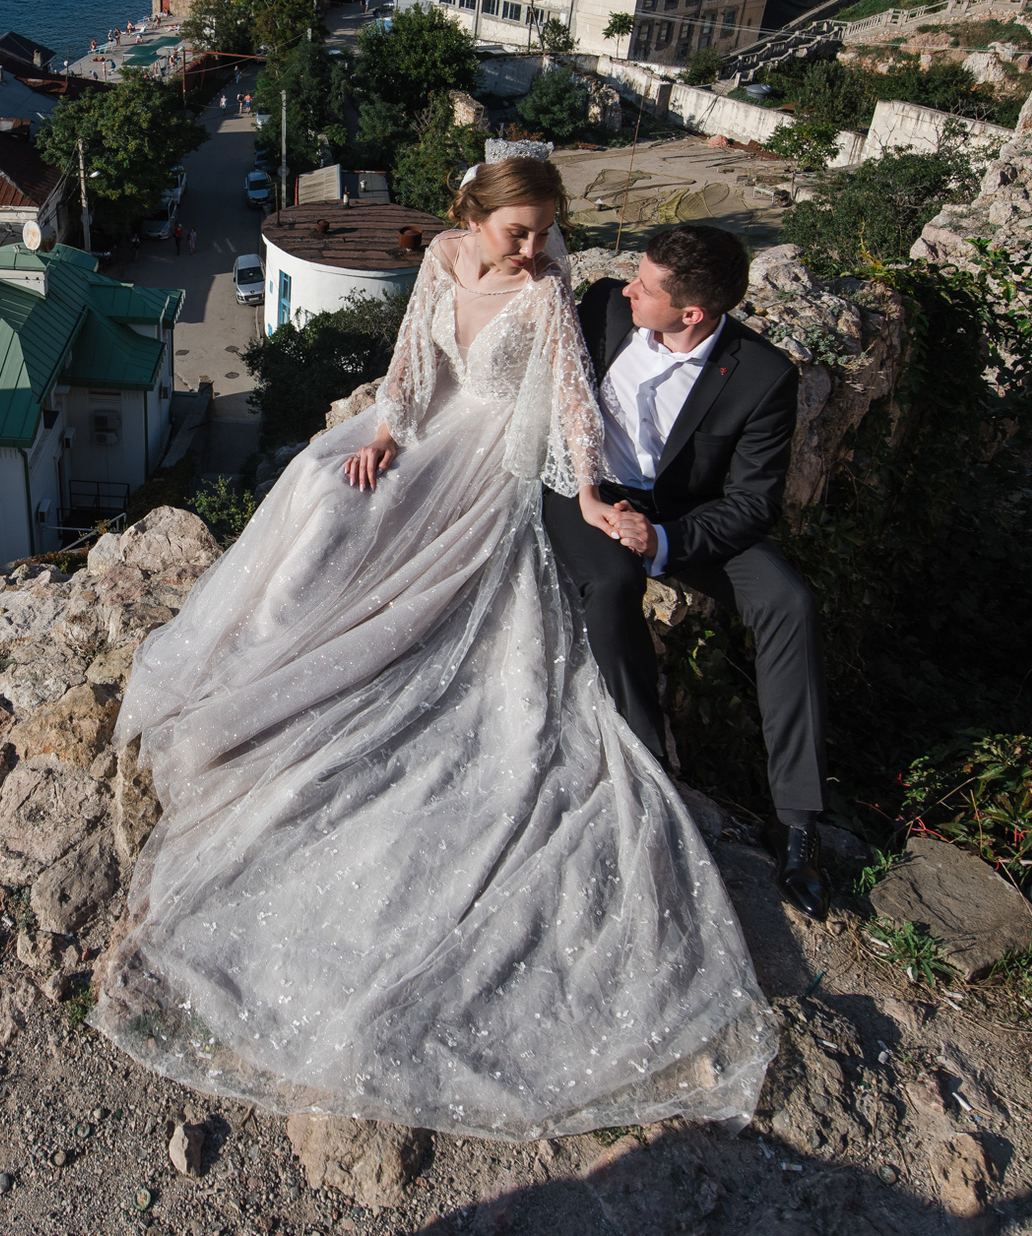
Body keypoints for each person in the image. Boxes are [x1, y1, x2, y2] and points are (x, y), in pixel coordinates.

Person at [95, 157, 774, 1141]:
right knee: (326, 483)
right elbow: (414, 359)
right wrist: (387, 429)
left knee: (382, 542)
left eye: (544, 230)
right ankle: (272, 652)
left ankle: (328, 664)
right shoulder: (445, 255)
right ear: (475, 218)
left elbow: (574, 395)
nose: (535, 247)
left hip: (492, 461)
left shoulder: (546, 289)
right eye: (519, 230)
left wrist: (585, 488)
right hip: (427, 429)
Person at [540, 224, 830, 919]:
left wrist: (665, 538)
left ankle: (798, 822)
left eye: (645, 284)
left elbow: (753, 505)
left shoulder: (763, 375)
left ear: (691, 312)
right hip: (589, 493)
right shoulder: (606, 308)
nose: (626, 285)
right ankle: (651, 774)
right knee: (611, 586)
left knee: (789, 601)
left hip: (690, 518)